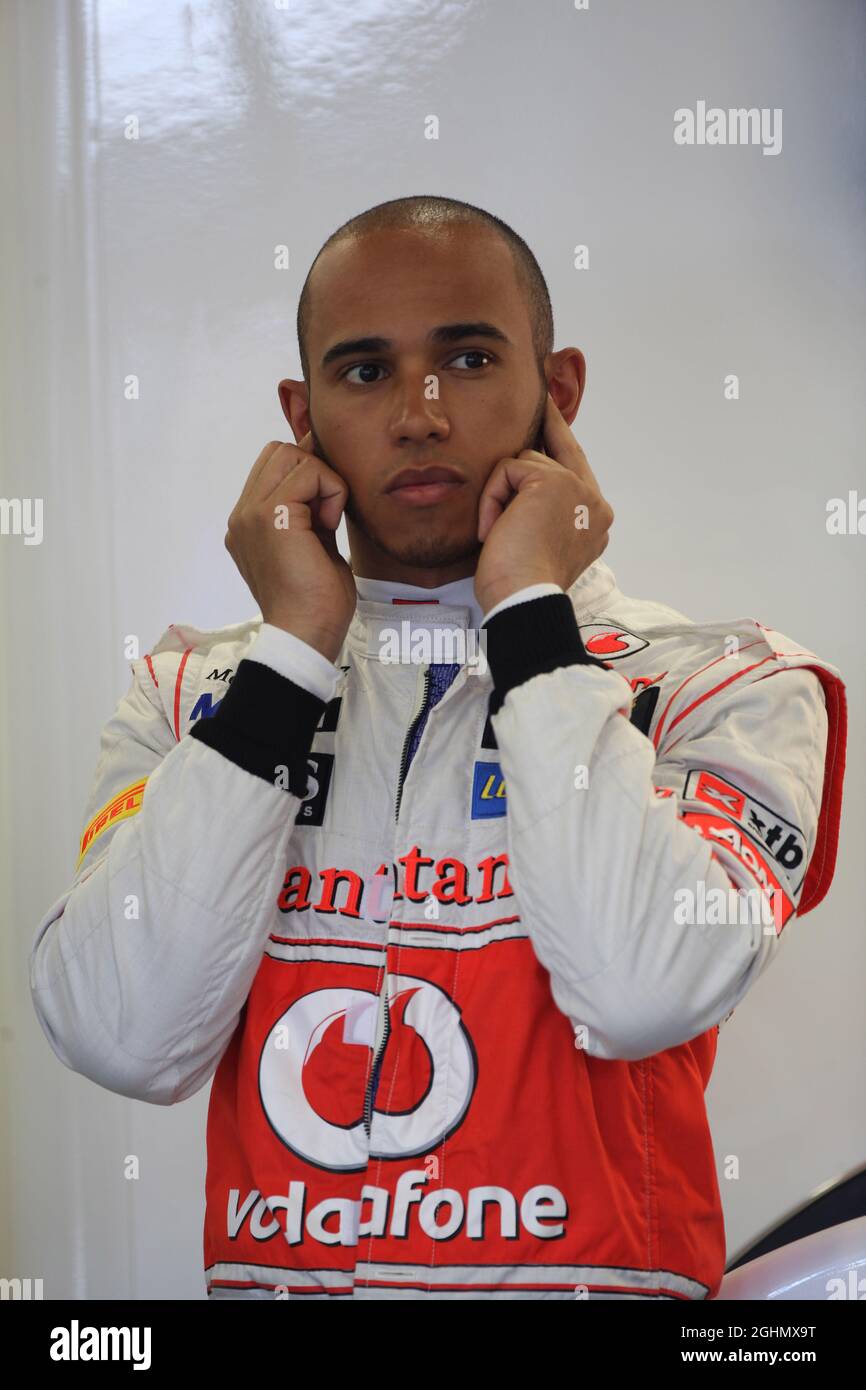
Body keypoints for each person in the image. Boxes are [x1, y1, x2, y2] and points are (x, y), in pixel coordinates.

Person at [30, 195, 848, 1301]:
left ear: (556, 391)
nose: (418, 414)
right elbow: (123, 1039)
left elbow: (639, 987)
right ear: (301, 413)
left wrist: (528, 614)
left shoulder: (729, 685)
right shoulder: (189, 693)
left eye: (464, 359)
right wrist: (288, 659)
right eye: (364, 372)